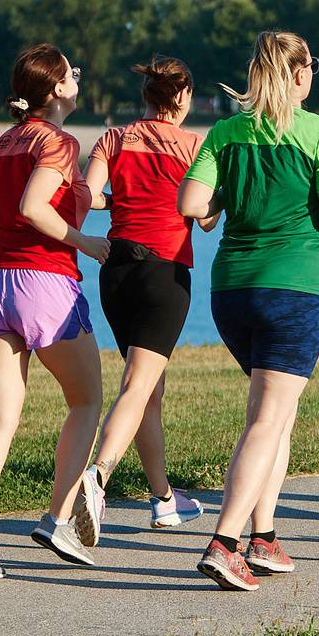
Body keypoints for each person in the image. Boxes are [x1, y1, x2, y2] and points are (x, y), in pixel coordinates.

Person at [177, 31, 319, 591]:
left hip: (232, 291)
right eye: (314, 66)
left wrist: (225, 197)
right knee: (268, 418)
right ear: (301, 73)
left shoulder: (228, 132)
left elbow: (192, 204)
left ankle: (264, 534)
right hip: (296, 290)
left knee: (274, 414)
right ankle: (225, 540)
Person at [0, 44, 112, 580]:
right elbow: (31, 208)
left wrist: (83, 199)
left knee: (1, 418)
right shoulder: (59, 142)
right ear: (56, 89)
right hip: (45, 284)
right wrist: (84, 241)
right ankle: (58, 519)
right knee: (87, 400)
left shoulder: (1, 144)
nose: (78, 76)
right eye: (72, 71)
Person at [75, 56, 215, 537]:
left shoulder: (114, 138)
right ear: (184, 97)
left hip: (115, 271)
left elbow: (86, 197)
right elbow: (207, 216)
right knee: (138, 385)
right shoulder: (197, 145)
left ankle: (164, 500)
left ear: (147, 97)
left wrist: (122, 199)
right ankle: (98, 477)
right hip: (164, 272)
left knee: (148, 389)